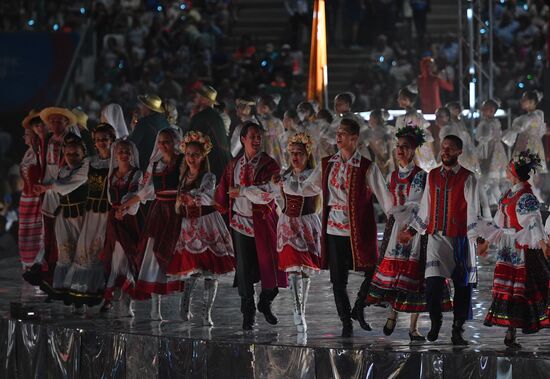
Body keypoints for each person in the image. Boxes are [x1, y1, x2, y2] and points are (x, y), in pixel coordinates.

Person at [300, 117, 393, 337]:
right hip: (333, 230)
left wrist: (400, 221)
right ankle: (346, 322)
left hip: (358, 230)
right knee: (337, 280)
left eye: (343, 133)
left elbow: (386, 199)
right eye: (337, 133)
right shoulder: (328, 164)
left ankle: (358, 307)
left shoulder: (366, 167)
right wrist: (281, 186)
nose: (338, 136)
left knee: (372, 271)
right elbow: (307, 188)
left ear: (354, 138)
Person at [367, 123, 451, 341]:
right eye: (398, 147)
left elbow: (422, 205)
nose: (400, 151)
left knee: (416, 278)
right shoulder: (393, 175)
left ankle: (413, 327)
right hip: (395, 229)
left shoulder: (422, 176)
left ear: (414, 150)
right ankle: (392, 314)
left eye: (405, 147)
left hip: (415, 230)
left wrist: (412, 225)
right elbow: (387, 202)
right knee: (394, 275)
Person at [399, 134, 480, 346]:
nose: (445, 151)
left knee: (462, 287)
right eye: (443, 147)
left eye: (450, 148)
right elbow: (425, 207)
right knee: (432, 284)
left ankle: (457, 329)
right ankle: (436, 322)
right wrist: (413, 230)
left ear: (459, 152)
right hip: (436, 237)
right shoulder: (432, 175)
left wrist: (477, 237)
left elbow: (473, 210)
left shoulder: (468, 178)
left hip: (460, 238)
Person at [215, 122, 288, 330]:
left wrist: (245, 190)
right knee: (245, 271)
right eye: (253, 136)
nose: (257, 140)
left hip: (264, 223)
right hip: (240, 223)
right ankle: (248, 314)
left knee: (271, 267)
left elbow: (269, 194)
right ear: (243, 139)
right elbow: (223, 191)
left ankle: (265, 301)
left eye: (259, 136)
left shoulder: (269, 165)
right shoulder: (233, 165)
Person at [477, 151, 549, 348]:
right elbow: (499, 223)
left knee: (522, 288)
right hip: (507, 248)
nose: (506, 172)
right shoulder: (509, 194)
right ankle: (511, 330)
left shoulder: (526, 196)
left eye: (509, 169)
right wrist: (486, 242)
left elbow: (534, 223)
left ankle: (513, 330)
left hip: (521, 247)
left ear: (515, 172)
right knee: (509, 288)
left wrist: (542, 244)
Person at [167, 131, 235, 326]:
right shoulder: (184, 176)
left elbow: (205, 194)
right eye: (188, 154)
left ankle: (206, 313)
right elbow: (180, 199)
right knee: (193, 269)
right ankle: (185, 304)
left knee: (210, 272)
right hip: (189, 225)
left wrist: (189, 197)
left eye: (195, 154)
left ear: (203, 156)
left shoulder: (209, 176)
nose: (190, 158)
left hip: (207, 224)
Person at [120, 128, 184, 320]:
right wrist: (126, 205)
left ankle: (184, 309)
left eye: (168, 141)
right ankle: (155, 310)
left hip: (178, 212)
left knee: (178, 258)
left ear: (175, 142)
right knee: (153, 257)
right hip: (159, 213)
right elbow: (146, 191)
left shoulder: (182, 162)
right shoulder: (154, 164)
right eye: (161, 141)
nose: (163, 145)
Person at [64, 124, 116, 311]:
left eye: (105, 139)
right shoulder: (91, 162)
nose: (101, 142)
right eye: (98, 139)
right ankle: (85, 292)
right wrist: (53, 187)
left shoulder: (116, 161)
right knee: (85, 250)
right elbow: (75, 180)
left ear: (111, 140)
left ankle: (107, 296)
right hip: (92, 213)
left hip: (108, 213)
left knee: (105, 252)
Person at [33, 134, 89, 303]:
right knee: (65, 253)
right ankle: (64, 291)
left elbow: (66, 186)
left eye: (75, 154)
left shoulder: (85, 169)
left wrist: (47, 187)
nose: (71, 158)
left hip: (81, 216)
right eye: (68, 154)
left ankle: (81, 293)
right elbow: (58, 192)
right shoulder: (63, 170)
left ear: (83, 154)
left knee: (82, 255)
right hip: (64, 216)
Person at [276, 133, 321, 333]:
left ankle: (301, 309)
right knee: (293, 267)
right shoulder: (285, 176)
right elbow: (277, 199)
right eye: (292, 153)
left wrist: (283, 184)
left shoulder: (312, 175)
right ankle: (297, 312)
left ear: (307, 154)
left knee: (303, 268)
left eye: (299, 153)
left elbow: (301, 190)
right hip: (288, 224)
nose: (295, 157)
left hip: (306, 223)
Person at [34, 107, 78, 292]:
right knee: (50, 234)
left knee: (64, 236)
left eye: (59, 121)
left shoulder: (72, 141)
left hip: (63, 192)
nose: (55, 124)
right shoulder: (50, 139)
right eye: (52, 121)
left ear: (66, 123)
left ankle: (64, 277)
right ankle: (51, 274)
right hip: (49, 192)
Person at [100, 139, 143, 317]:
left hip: (129, 220)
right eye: (120, 152)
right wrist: (116, 210)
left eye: (127, 151)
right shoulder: (112, 175)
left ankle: (124, 301)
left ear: (132, 154)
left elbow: (134, 194)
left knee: (127, 256)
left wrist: (123, 209)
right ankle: (111, 297)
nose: (124, 154)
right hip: (114, 220)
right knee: (115, 257)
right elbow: (110, 198)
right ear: (115, 155)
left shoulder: (136, 174)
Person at [188, 85, 231, 181]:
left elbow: (190, 144)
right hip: (223, 168)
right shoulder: (216, 117)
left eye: (198, 96)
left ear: (204, 100)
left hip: (210, 170)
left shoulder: (201, 118)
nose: (195, 97)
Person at [18, 111, 44, 269]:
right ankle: (28, 264)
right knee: (25, 234)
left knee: (37, 233)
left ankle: (36, 264)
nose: (24, 137)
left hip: (36, 199)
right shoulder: (28, 153)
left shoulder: (39, 152)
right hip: (25, 199)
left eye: (27, 134)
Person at [503, 91, 547, 175]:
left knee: (526, 172)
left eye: (524, 99)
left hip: (529, 147)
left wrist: (512, 129)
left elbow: (522, 127)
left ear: (532, 102)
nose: (521, 101)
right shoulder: (535, 116)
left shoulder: (533, 116)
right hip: (527, 145)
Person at [394, 86, 436, 172]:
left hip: (416, 151)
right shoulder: (415, 115)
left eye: (401, 98)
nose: (398, 100)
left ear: (407, 100)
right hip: (421, 150)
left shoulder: (408, 117)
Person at [476, 99, 507, 208]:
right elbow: (479, 137)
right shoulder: (484, 123)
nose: (484, 110)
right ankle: (494, 203)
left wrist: (487, 138)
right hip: (488, 151)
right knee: (487, 181)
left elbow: (496, 135)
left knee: (491, 181)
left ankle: (499, 205)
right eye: (484, 108)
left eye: (487, 109)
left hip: (494, 152)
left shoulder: (494, 122)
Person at [129, 94, 170, 170]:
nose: (141, 108)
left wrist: (134, 130)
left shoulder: (143, 122)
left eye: (142, 105)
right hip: (161, 164)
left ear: (147, 108)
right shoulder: (165, 122)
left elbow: (132, 143)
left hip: (145, 164)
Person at [257, 95, 287, 169]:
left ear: (267, 108)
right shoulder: (258, 120)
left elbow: (282, 138)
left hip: (273, 150)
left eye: (261, 106)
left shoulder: (276, 122)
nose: (258, 107)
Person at [365, 109, 393, 177]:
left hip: (381, 156)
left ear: (375, 119)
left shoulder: (373, 132)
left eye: (370, 118)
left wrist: (380, 157)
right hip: (385, 156)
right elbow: (389, 143)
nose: (369, 120)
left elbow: (373, 146)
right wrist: (389, 156)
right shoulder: (386, 129)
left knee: (382, 176)